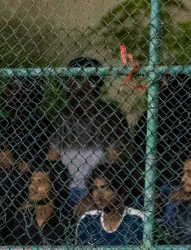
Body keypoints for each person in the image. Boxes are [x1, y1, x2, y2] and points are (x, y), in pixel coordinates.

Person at [48, 58, 132, 199]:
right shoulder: (65, 116)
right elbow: (52, 157)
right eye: (70, 79)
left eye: (78, 78)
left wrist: (90, 196)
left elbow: (114, 163)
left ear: (93, 83)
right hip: (64, 190)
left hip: (98, 191)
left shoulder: (110, 116)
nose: (71, 84)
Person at [74, 163, 145, 250]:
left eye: (105, 188)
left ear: (121, 191)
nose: (98, 194)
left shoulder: (138, 219)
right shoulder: (87, 219)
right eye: (95, 188)